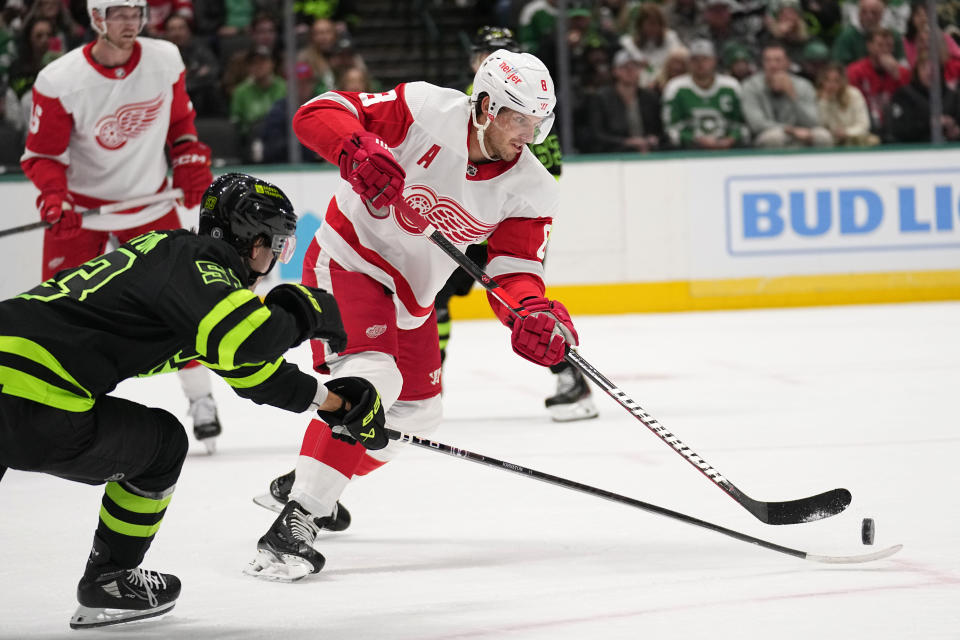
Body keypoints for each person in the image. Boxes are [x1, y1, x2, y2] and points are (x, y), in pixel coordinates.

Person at [245, 48, 583, 580]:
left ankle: (310, 478)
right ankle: (296, 524)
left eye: (539, 122)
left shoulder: (534, 189)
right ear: (487, 106)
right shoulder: (425, 109)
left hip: (412, 297)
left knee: (417, 417)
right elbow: (315, 113)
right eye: (520, 119)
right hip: (350, 260)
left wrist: (530, 311)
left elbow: (514, 272)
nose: (529, 133)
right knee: (370, 382)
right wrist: (356, 149)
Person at [0, 172, 381, 628]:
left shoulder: (183, 271)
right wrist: (306, 311)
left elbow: (251, 372)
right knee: (162, 446)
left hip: (16, 376)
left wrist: (336, 406)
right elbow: (245, 340)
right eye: (274, 244)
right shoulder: (197, 263)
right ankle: (110, 580)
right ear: (250, 240)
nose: (274, 258)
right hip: (36, 394)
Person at [20, 0, 219, 450]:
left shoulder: (165, 59)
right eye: (119, 14)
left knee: (186, 302)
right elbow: (43, 156)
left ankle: (201, 398)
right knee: (56, 314)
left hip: (149, 203)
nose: (130, 22)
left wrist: (189, 159)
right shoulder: (60, 80)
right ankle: (48, 407)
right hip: (82, 212)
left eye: (136, 12)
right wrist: (55, 197)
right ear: (96, 19)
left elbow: (182, 125)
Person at [440, 26, 597, 424]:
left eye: (497, 53)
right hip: (463, 226)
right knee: (432, 301)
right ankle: (425, 384)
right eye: (482, 53)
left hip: (504, 232)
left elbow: (548, 176)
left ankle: (571, 380)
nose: (484, 61)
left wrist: (501, 215)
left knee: (525, 311)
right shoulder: (466, 105)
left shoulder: (526, 108)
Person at [741, 42, 834, 147]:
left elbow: (813, 122)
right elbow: (757, 124)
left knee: (823, 136)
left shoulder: (804, 85)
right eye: (768, 60)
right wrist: (790, 130)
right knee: (775, 137)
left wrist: (793, 95)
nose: (773, 65)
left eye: (778, 60)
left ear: (787, 63)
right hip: (769, 134)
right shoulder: (751, 86)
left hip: (801, 133)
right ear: (763, 64)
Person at [662, 39, 750, 149]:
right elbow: (670, 128)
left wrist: (730, 139)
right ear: (689, 62)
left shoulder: (731, 86)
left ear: (714, 61)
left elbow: (743, 124)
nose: (700, 64)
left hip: (728, 149)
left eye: (705, 59)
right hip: (688, 151)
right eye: (695, 60)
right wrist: (694, 139)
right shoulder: (676, 87)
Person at [585, 48, 667, 152]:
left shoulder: (650, 98)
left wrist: (654, 139)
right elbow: (597, 135)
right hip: (614, 154)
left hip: (649, 152)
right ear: (615, 71)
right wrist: (626, 142)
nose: (630, 71)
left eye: (635, 67)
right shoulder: (601, 98)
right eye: (625, 67)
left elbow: (660, 131)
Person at [845, 27, 910, 135]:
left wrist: (896, 77)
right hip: (866, 122)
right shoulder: (855, 71)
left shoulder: (902, 73)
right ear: (869, 46)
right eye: (880, 45)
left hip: (896, 125)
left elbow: (909, 103)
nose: (884, 49)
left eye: (888, 46)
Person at [888, 50, 960, 142]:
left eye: (933, 68)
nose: (929, 72)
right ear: (917, 71)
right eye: (924, 67)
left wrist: (956, 130)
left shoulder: (953, 96)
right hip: (915, 150)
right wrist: (929, 124)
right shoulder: (903, 95)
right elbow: (899, 130)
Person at [816, 62, 880, 145]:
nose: (831, 85)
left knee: (871, 140)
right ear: (822, 81)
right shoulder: (819, 98)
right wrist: (824, 103)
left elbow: (863, 125)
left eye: (836, 80)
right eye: (827, 80)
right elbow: (821, 127)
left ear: (843, 80)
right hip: (832, 141)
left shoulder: (854, 94)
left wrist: (846, 132)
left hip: (854, 138)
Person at [831, 0, 905, 66]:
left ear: (882, 14)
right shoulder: (847, 36)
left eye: (874, 13)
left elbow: (902, 62)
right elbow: (839, 65)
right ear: (858, 12)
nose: (869, 16)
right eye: (864, 12)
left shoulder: (893, 35)